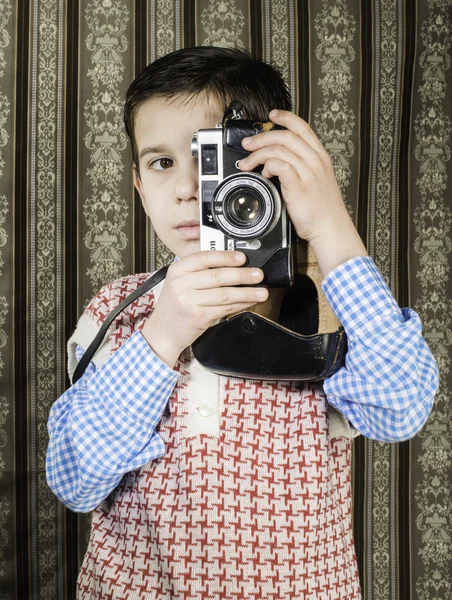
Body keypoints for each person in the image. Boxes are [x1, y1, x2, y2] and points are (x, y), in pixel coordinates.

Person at [46, 46, 439, 599]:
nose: (185, 188)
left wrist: (330, 227)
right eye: (161, 163)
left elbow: (399, 409)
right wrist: (162, 336)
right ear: (139, 186)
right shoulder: (121, 309)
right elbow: (76, 480)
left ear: (270, 164)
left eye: (209, 161)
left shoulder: (327, 298)